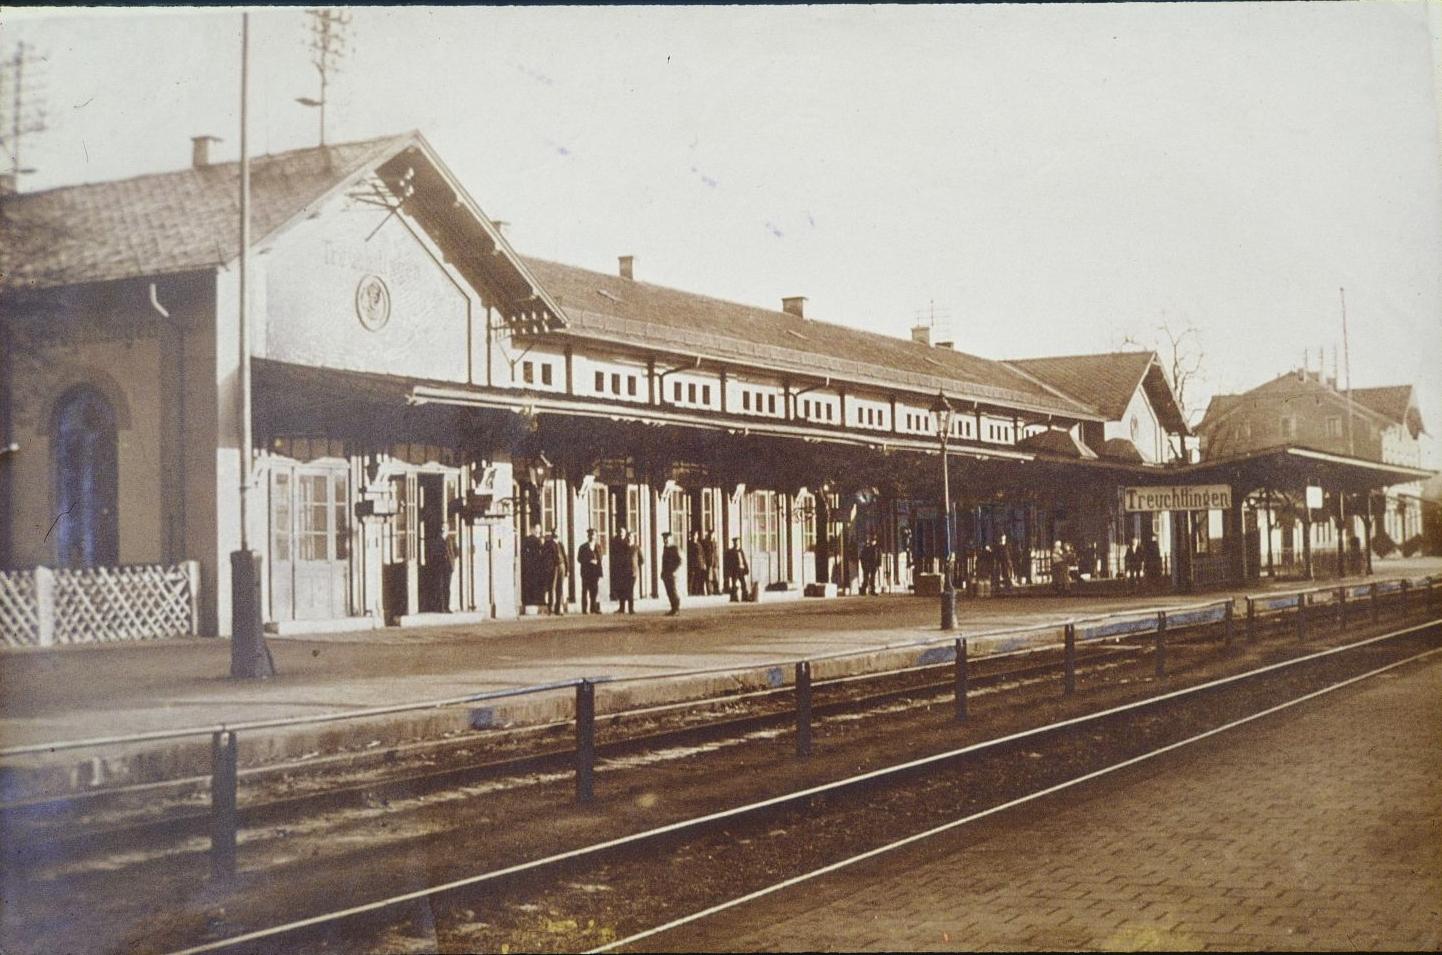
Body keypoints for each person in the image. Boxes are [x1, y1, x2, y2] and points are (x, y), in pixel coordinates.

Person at [613, 527, 642, 614]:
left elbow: (641, 560)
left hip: (632, 573)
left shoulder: (636, 548)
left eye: (631, 537)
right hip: (623, 572)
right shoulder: (623, 547)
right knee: (622, 589)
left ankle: (631, 609)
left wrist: (635, 566)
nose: (629, 538)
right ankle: (621, 608)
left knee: (630, 590)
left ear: (634, 538)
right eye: (628, 537)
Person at [427, 527, 456, 612]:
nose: (443, 531)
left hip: (448, 567)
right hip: (440, 567)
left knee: (447, 588)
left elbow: (456, 551)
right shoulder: (437, 540)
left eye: (445, 529)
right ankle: (441, 607)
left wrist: (451, 559)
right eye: (442, 529)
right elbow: (432, 553)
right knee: (440, 587)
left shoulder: (450, 540)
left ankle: (447, 607)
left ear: (447, 530)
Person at [577, 528, 604, 614]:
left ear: (596, 536)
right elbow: (579, 558)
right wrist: (589, 560)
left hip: (595, 571)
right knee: (585, 590)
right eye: (590, 534)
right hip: (586, 571)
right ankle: (584, 609)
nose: (592, 536)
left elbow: (600, 558)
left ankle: (594, 608)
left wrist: (598, 564)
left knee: (594, 590)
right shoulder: (583, 547)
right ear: (588, 536)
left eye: (594, 534)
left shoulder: (598, 547)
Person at [542, 530, 568, 615]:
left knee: (560, 588)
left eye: (557, 532)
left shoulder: (560, 544)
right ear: (552, 534)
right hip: (553, 568)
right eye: (555, 532)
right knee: (552, 587)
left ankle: (558, 608)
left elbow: (565, 555)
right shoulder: (548, 544)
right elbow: (545, 557)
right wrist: (549, 567)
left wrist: (567, 569)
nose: (556, 534)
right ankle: (550, 608)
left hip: (561, 566)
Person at [660, 531, 683, 615]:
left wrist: (674, 571)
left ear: (671, 539)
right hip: (666, 574)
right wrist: (662, 572)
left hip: (672, 574)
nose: (665, 540)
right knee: (669, 591)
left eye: (667, 539)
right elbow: (664, 562)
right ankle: (673, 608)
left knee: (673, 591)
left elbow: (680, 561)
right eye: (664, 539)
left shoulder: (674, 548)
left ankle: (676, 609)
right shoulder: (665, 548)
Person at [724, 536, 751, 601]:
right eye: (735, 542)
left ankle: (745, 597)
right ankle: (734, 597)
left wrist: (746, 568)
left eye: (738, 542)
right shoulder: (731, 552)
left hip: (741, 569)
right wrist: (729, 571)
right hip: (735, 570)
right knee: (734, 584)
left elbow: (744, 560)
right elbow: (729, 562)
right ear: (733, 543)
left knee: (743, 584)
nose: (737, 544)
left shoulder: (741, 551)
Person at [701, 530, 720, 595]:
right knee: (709, 578)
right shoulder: (705, 543)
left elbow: (716, 553)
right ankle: (709, 591)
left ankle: (716, 590)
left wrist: (717, 562)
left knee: (716, 577)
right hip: (708, 562)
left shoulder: (714, 543)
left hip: (714, 562)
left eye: (713, 535)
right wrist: (704, 562)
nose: (711, 536)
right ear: (708, 535)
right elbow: (703, 554)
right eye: (710, 535)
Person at [687, 530, 704, 596]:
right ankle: (690, 592)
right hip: (692, 563)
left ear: (697, 536)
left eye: (695, 535)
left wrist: (703, 563)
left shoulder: (699, 544)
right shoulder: (689, 544)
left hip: (699, 563)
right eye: (693, 535)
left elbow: (702, 554)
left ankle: (696, 592)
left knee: (698, 578)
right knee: (691, 578)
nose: (694, 537)